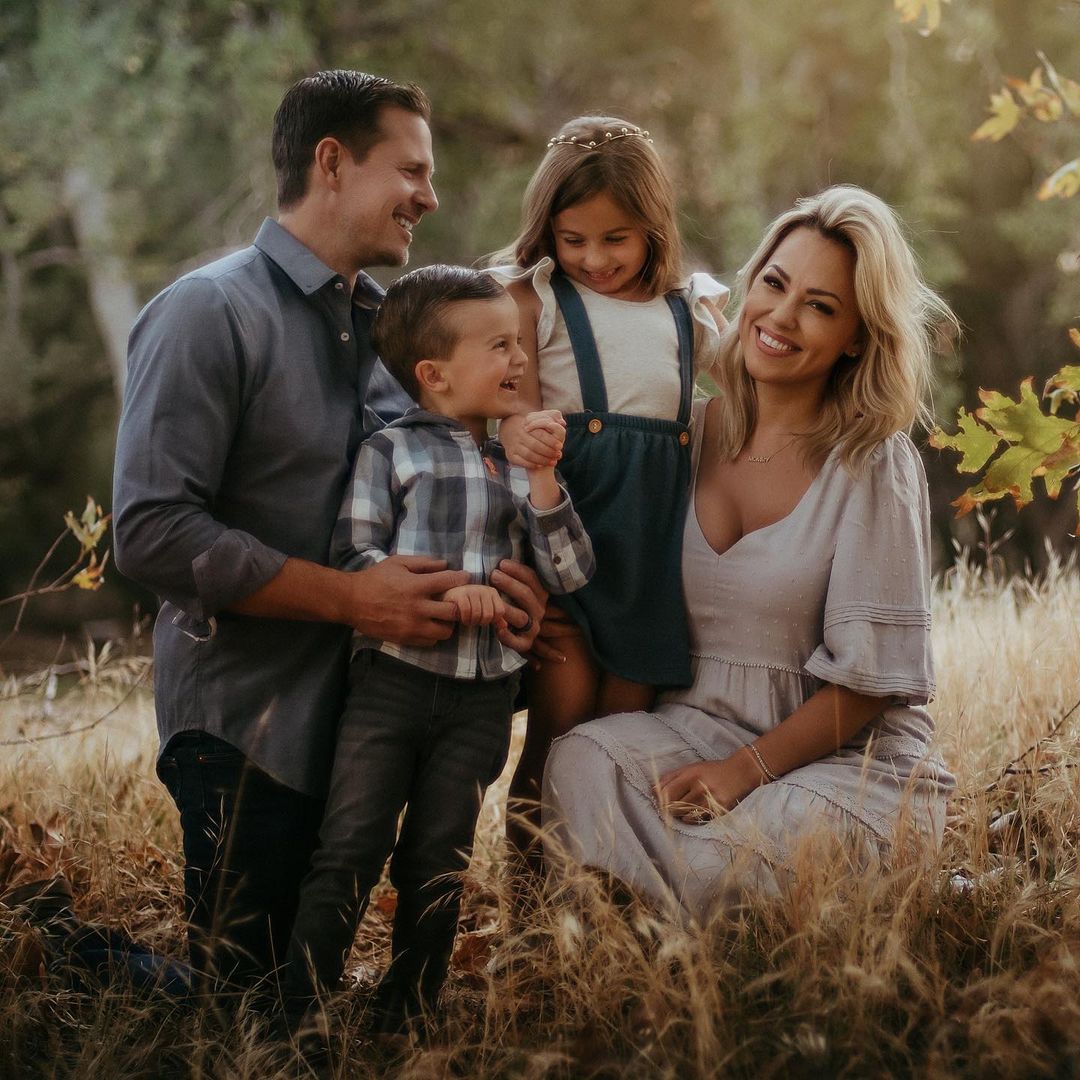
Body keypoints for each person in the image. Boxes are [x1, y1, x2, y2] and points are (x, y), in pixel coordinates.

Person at [112, 71, 547, 1004]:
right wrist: (353, 597)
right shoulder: (209, 312)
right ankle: (87, 958)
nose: (430, 197)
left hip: (374, 717)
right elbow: (150, 530)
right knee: (252, 1001)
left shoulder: (390, 334)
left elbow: (450, 491)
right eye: (412, 170)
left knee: (326, 972)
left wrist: (514, 585)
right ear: (332, 162)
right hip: (250, 725)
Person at [542, 185, 957, 920]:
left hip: (839, 765)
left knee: (778, 836)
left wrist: (743, 772)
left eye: (821, 307)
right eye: (774, 284)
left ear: (858, 336)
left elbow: (868, 686)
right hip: (691, 732)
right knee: (584, 759)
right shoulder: (682, 432)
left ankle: (663, 912)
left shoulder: (872, 461)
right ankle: (678, 916)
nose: (781, 318)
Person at [281, 265, 594, 1035]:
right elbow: (356, 559)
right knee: (350, 843)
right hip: (391, 687)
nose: (519, 359)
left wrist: (546, 482)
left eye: (519, 343)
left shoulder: (518, 465)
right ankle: (298, 1012)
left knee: (440, 855)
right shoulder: (389, 453)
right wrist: (445, 598)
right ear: (435, 375)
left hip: (480, 700)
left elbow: (573, 571)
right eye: (499, 346)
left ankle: (409, 1006)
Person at [489, 116, 729, 861]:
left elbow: (750, 382)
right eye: (574, 240)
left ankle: (598, 887)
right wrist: (510, 432)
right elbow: (498, 406)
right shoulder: (536, 301)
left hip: (650, 561)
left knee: (621, 737)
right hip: (568, 553)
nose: (594, 259)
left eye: (615, 240)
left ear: (653, 229)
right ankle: (529, 902)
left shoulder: (686, 313)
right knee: (559, 732)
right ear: (549, 233)